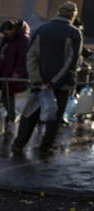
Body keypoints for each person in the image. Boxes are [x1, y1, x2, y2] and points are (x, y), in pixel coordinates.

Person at [12, 2, 82, 155]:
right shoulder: (74, 33)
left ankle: (18, 144)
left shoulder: (40, 29)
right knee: (54, 118)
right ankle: (45, 149)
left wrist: (37, 80)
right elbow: (72, 61)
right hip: (61, 86)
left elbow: (30, 56)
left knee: (29, 114)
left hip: (38, 83)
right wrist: (54, 83)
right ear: (72, 14)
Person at [0, 19, 30, 125]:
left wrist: (17, 72)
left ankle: (11, 121)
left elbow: (23, 57)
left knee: (11, 100)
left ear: (13, 29)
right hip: (5, 75)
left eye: (6, 32)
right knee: (6, 99)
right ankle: (9, 120)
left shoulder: (23, 39)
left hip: (13, 76)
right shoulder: (8, 39)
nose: (5, 35)